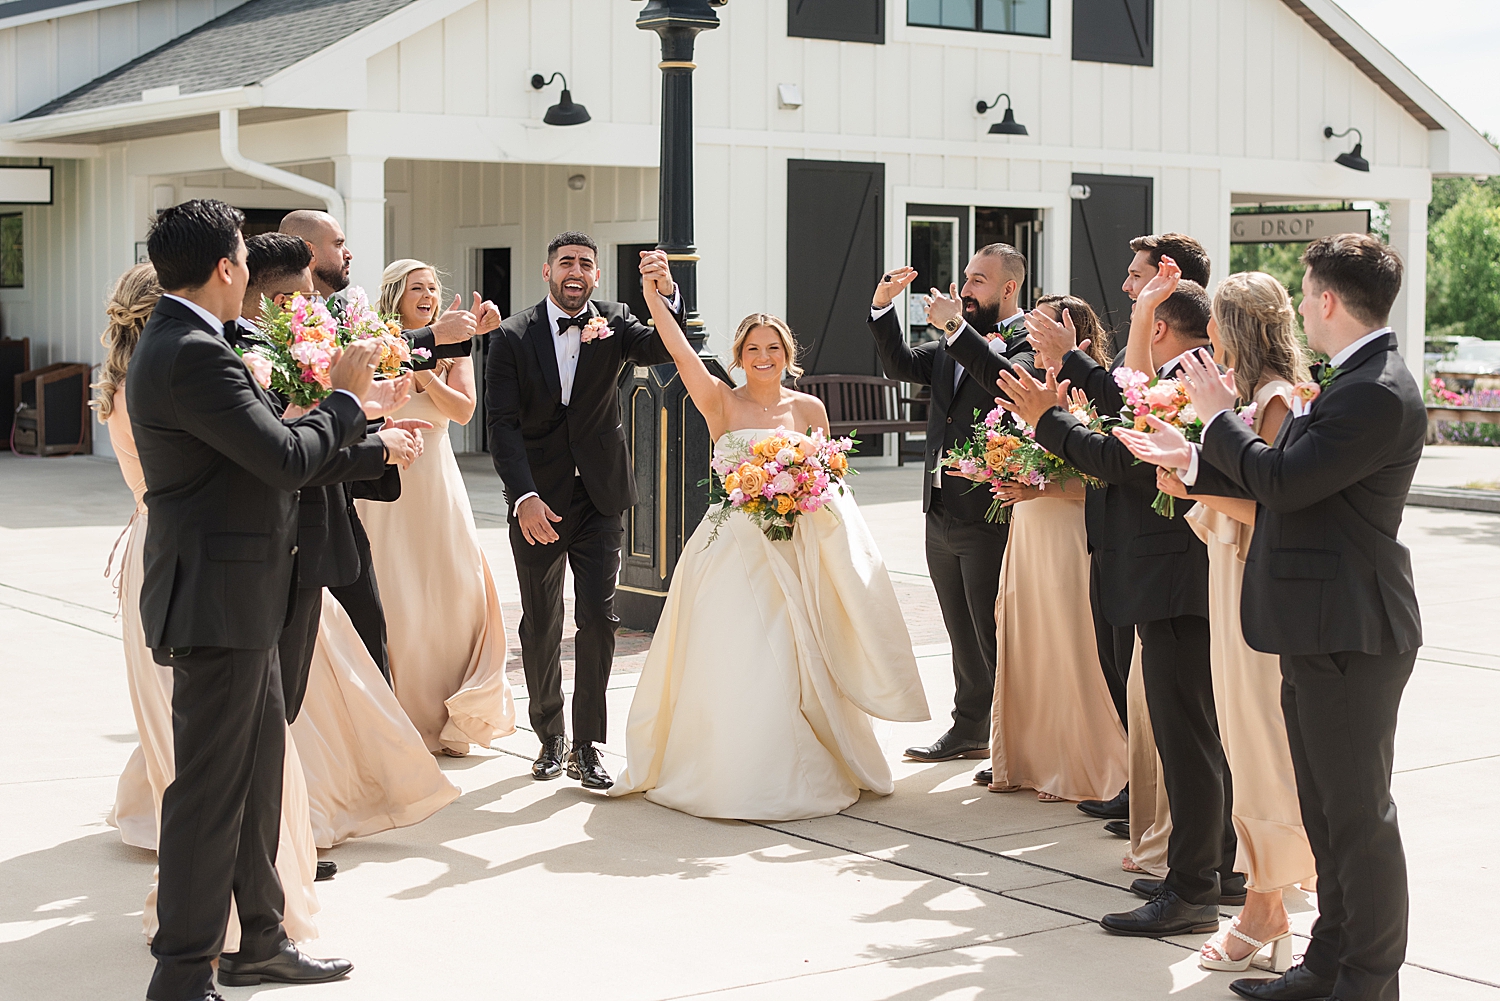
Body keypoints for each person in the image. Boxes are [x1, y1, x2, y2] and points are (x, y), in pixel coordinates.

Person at [1115, 234, 1424, 1001]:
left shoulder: (1376, 389)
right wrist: (1187, 456)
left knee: (1358, 817)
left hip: (1355, 628)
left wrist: (1220, 417)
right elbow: (1294, 484)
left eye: (1307, 290)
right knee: (1324, 810)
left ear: (1324, 301)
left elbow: (1283, 483)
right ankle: (1326, 964)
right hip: (1316, 622)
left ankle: (1368, 980)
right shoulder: (1352, 378)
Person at [127, 199, 364, 1000]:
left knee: (256, 781)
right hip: (217, 606)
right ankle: (183, 974)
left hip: (242, 600)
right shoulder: (191, 351)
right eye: (244, 258)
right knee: (206, 797)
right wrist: (346, 398)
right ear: (228, 267)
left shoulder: (199, 340)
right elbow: (284, 457)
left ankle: (260, 939)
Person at [609, 292, 930, 819]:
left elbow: (831, 483)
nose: (764, 356)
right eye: (754, 348)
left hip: (796, 546)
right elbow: (679, 350)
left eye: (774, 347)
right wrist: (656, 299)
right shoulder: (719, 400)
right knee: (738, 650)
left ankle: (804, 756)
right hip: (731, 545)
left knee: (799, 649)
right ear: (739, 355)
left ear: (787, 353)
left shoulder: (809, 409)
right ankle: (728, 766)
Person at [1000, 280, 1239, 938]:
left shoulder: (1191, 379)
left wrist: (1049, 419)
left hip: (1175, 581)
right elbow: (1128, 421)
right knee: (1194, 736)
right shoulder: (1181, 375)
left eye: (1139, 313)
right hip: (1173, 579)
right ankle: (1211, 867)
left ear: (1158, 327)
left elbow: (1126, 458)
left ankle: (1192, 890)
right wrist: (1070, 373)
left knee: (1187, 740)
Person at [95, 263, 322, 952]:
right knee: (210, 771)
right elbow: (267, 459)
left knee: (212, 758)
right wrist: (338, 402)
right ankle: (204, 942)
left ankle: (254, 926)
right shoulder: (183, 373)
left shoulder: (134, 377)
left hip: (165, 559)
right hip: (199, 572)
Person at [1128, 263, 1317, 974]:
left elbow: (1275, 508)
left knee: (1259, 740)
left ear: (1230, 327)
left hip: (1253, 578)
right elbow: (1145, 387)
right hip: (1226, 569)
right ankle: (1264, 902)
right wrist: (1186, 466)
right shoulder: (1243, 393)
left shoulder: (1274, 401)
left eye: (1214, 324)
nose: (1207, 335)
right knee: (1242, 735)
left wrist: (1195, 478)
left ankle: (1266, 905)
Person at [485, 233, 683, 789]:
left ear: (596, 276)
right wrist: (522, 498)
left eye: (586, 265)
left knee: (597, 618)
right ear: (546, 270)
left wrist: (665, 292)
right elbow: (499, 425)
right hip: (538, 501)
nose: (576, 271)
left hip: (599, 498)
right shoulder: (511, 335)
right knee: (542, 621)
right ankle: (548, 736)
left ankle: (587, 744)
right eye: (566, 262)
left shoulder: (617, 320)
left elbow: (664, 346)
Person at [277, 209, 497, 673]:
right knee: (378, 605)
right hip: (363, 479)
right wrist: (430, 342)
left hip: (425, 473)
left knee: (434, 589)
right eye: (339, 242)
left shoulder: (343, 314)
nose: (349, 250)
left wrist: (448, 346)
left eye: (432, 288)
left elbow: (463, 408)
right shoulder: (302, 319)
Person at [233, 232, 423, 715]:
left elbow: (314, 423)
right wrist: (376, 449)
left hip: (324, 526)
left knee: (348, 654)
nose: (318, 306)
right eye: (310, 298)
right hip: (282, 538)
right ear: (282, 302)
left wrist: (369, 408)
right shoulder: (246, 359)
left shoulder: (287, 345)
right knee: (279, 694)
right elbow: (288, 449)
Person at [951, 296, 1128, 804]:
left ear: (1074, 331)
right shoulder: (1028, 386)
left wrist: (1041, 488)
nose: (1033, 333)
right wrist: (992, 468)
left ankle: (1080, 765)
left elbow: (1104, 474)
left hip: (1068, 531)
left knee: (1069, 646)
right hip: (1026, 527)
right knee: (1027, 642)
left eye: (1045, 323)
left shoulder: (1094, 393)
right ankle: (1033, 759)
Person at [866, 244, 1036, 767]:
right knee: (959, 626)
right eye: (965, 277)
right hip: (939, 505)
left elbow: (1003, 380)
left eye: (979, 280)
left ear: (1009, 288)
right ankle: (968, 728)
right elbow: (899, 364)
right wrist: (882, 307)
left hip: (988, 509)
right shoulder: (949, 342)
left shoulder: (1028, 340)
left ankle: (1016, 740)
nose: (965, 288)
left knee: (994, 630)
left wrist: (958, 332)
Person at [355, 259, 517, 756]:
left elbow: (464, 410)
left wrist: (428, 373)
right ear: (395, 294)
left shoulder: (452, 347)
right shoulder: (375, 339)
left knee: (451, 590)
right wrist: (417, 357)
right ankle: (401, 716)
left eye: (431, 287)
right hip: (386, 483)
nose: (426, 294)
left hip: (437, 481)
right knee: (397, 592)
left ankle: (450, 714)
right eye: (416, 287)